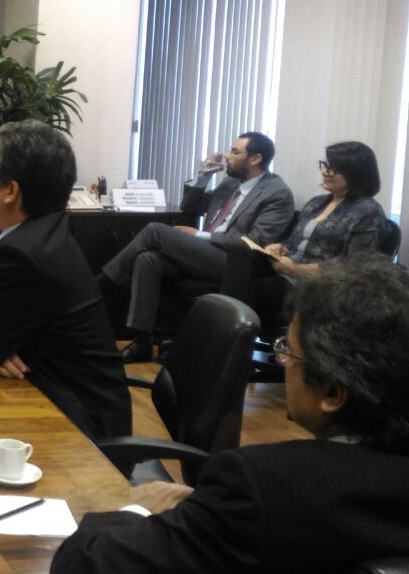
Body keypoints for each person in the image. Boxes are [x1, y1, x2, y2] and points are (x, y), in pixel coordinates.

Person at [52, 255, 409, 572]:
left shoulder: (264, 487)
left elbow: (83, 564)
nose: (282, 361)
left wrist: (136, 509)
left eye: (288, 351)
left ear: (331, 393)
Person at [0, 121, 130, 441]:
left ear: (11, 191)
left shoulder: (23, 253)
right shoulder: (42, 232)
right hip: (67, 398)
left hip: (82, 430)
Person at [99, 132, 294, 362]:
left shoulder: (277, 193)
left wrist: (200, 235)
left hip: (236, 263)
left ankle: (100, 286)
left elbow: (254, 243)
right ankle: (141, 342)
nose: (228, 156)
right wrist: (202, 177)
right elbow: (189, 206)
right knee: (148, 260)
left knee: (154, 231)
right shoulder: (231, 183)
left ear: (255, 159)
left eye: (235, 152)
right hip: (207, 254)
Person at [221, 141, 389, 322]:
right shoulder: (316, 203)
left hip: (317, 284)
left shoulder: (368, 211)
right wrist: (279, 247)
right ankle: (228, 325)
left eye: (333, 169)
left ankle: (231, 327)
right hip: (285, 270)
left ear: (355, 173)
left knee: (246, 284)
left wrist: (295, 270)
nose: (325, 172)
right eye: (325, 165)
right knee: (240, 251)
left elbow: (354, 267)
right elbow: (292, 242)